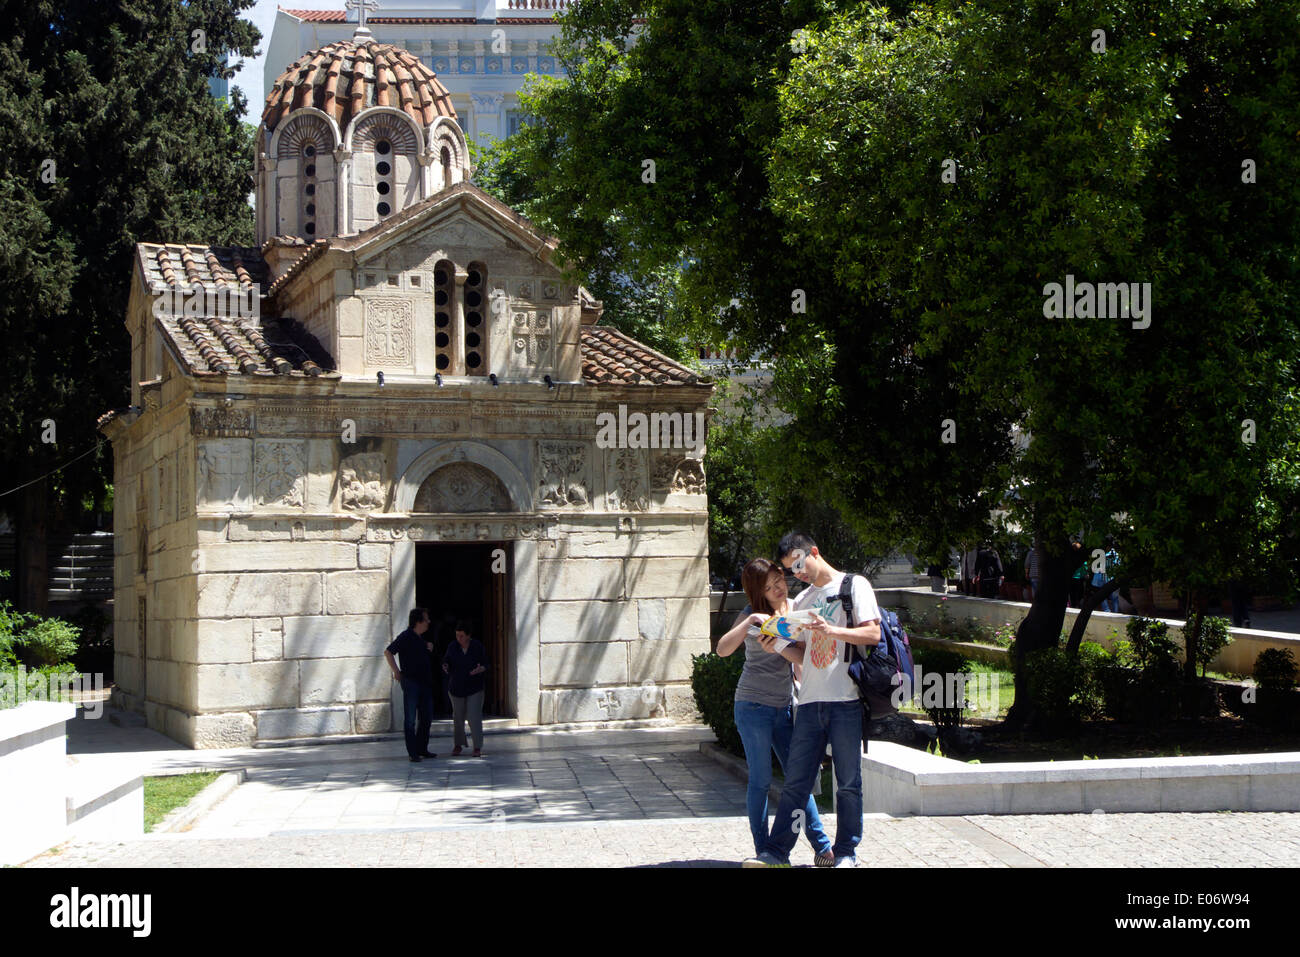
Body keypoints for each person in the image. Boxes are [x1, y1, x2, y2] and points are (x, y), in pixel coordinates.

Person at [744, 532, 881, 868]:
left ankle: (846, 853)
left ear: (814, 552)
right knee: (795, 784)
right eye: (792, 571)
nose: (798, 574)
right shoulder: (803, 600)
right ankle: (776, 853)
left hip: (846, 699)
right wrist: (775, 645)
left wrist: (831, 631)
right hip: (809, 703)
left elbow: (872, 634)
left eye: (800, 565)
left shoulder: (853, 585)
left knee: (848, 782)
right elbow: (804, 655)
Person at [717, 558, 834, 866]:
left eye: (777, 581)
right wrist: (750, 620)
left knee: (799, 780)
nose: (776, 589)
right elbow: (722, 649)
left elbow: (806, 658)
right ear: (759, 593)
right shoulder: (751, 616)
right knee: (760, 780)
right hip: (752, 707)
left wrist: (781, 646)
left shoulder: (797, 610)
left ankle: (822, 847)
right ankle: (764, 851)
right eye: (767, 588)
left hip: (784, 708)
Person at [385, 608, 437, 762]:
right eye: (426, 619)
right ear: (418, 621)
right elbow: (388, 652)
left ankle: (422, 748)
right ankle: (413, 752)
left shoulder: (421, 639)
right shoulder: (406, 636)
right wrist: (396, 671)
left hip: (425, 683)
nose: (429, 622)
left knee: (426, 717)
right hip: (411, 683)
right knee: (410, 719)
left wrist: (430, 648)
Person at [443, 619, 488, 757]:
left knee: (474, 716)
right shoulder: (453, 646)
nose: (459, 638)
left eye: (461, 636)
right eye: (457, 635)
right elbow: (447, 661)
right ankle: (458, 744)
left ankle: (477, 746)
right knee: (458, 717)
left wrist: (481, 669)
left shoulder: (477, 646)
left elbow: (486, 663)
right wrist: (445, 666)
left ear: (468, 635)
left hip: (474, 687)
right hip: (456, 687)